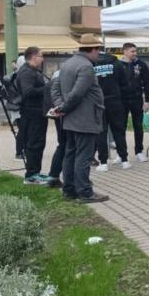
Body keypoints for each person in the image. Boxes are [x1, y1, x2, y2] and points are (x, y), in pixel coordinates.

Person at [50, 34, 108, 203]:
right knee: (84, 156)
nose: (99, 53)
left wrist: (61, 107)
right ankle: (85, 192)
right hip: (85, 118)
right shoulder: (86, 67)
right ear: (93, 49)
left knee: (71, 154)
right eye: (98, 49)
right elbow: (77, 94)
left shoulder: (67, 64)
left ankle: (69, 190)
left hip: (70, 118)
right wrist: (63, 107)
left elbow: (55, 88)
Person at [15, 48, 49, 185]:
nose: (42, 59)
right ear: (34, 57)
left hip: (38, 112)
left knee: (38, 143)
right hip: (32, 113)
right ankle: (31, 175)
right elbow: (28, 92)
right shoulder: (26, 72)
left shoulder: (32, 71)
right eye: (41, 56)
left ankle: (36, 172)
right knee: (34, 143)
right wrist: (47, 88)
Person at [94, 51, 130, 171]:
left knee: (101, 133)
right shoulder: (117, 64)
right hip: (115, 102)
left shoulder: (92, 64)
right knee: (119, 131)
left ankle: (103, 163)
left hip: (98, 103)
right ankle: (124, 160)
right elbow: (125, 84)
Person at [119, 43, 149, 162]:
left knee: (138, 126)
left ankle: (139, 151)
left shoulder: (141, 64)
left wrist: (147, 100)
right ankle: (121, 153)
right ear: (125, 51)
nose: (135, 53)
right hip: (122, 100)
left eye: (135, 51)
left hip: (137, 99)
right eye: (132, 51)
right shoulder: (118, 65)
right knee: (120, 127)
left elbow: (147, 82)